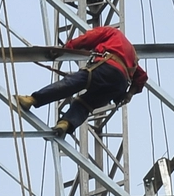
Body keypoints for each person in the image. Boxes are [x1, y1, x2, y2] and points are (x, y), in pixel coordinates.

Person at [14, 26, 148, 136]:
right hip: (119, 85)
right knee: (85, 104)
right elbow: (141, 77)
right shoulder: (133, 56)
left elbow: (88, 38)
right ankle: (65, 124)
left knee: (73, 83)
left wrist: (66, 48)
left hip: (105, 68)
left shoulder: (113, 33)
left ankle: (32, 100)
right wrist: (129, 94)